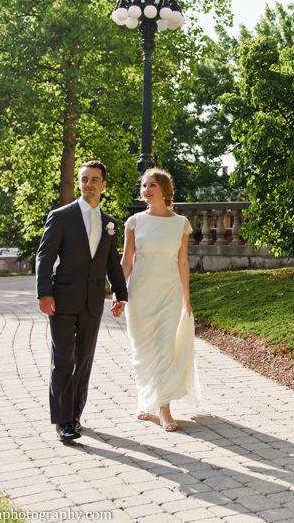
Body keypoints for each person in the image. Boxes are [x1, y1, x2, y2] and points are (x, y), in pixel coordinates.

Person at [36, 160, 128, 442]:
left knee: (84, 360)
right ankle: (63, 421)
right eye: (84, 179)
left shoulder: (110, 223)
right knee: (64, 359)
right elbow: (45, 256)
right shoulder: (61, 216)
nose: (89, 184)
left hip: (92, 302)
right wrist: (44, 293)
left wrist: (120, 294)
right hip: (61, 300)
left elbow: (112, 262)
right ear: (79, 182)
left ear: (104, 185)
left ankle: (75, 415)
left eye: (94, 179)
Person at [121, 168, 200, 431]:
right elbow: (127, 261)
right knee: (142, 351)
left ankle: (165, 409)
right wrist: (118, 294)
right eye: (144, 185)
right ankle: (146, 400)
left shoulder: (180, 224)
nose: (146, 189)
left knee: (164, 347)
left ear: (165, 190)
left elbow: (183, 262)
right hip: (140, 292)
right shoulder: (134, 222)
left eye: (152, 184)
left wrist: (186, 300)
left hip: (169, 293)